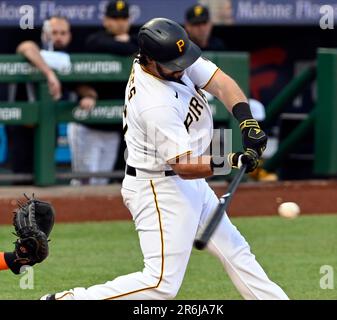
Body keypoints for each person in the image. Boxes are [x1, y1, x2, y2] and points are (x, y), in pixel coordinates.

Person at [41, 18, 288, 300]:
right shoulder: (154, 102)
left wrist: (247, 122)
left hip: (185, 180)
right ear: (150, 61)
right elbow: (183, 165)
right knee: (160, 284)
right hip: (159, 188)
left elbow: (220, 83)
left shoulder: (169, 57)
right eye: (175, 64)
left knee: (236, 251)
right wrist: (230, 160)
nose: (182, 67)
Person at [9, 16, 97, 184]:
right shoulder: (39, 48)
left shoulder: (65, 56)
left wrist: (89, 95)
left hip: (49, 121)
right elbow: (26, 47)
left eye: (63, 33)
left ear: (69, 35)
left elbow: (76, 84)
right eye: (54, 32)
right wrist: (49, 74)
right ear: (45, 34)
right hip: (22, 124)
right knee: (21, 177)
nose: (59, 37)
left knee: (46, 174)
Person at [68, 0, 138, 185]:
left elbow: (141, 48)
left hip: (113, 127)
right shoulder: (95, 39)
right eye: (115, 18)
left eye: (123, 18)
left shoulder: (136, 40)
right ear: (106, 20)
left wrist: (128, 45)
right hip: (89, 123)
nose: (120, 22)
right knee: (83, 182)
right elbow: (105, 45)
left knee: (101, 182)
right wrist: (125, 46)